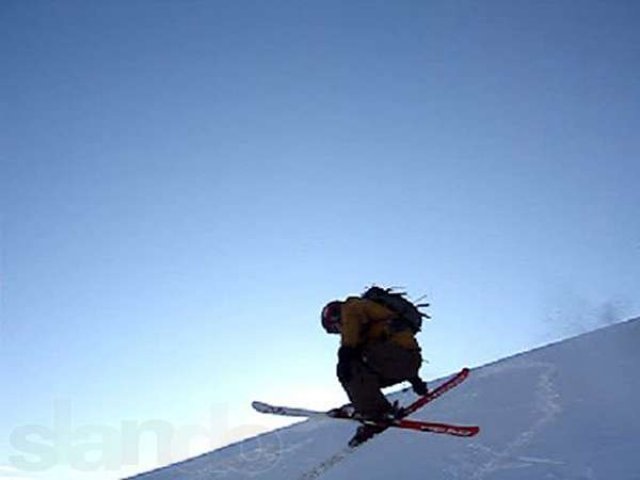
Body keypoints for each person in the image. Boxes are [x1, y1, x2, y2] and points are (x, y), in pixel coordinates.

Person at [321, 294, 428, 423]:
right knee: (360, 372)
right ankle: (368, 405)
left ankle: (375, 411)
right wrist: (415, 379)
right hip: (403, 361)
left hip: (399, 358)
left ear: (335, 317)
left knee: (350, 367)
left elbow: (350, 338)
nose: (340, 332)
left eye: (336, 328)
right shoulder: (370, 325)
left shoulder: (351, 308)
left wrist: (344, 355)